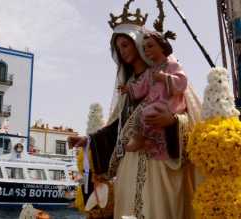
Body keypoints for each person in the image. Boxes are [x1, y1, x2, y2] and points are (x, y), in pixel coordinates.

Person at [69, 23, 201, 218]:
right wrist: (90, 140)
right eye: (118, 48)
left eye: (125, 45)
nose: (122, 52)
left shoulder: (166, 73)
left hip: (161, 160)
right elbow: (119, 125)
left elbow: (191, 116)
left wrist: (172, 121)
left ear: (138, 43)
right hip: (130, 162)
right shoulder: (130, 85)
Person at [118, 31, 187, 160]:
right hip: (153, 103)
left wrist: (163, 77)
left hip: (167, 104)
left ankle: (143, 139)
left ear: (162, 46)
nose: (146, 50)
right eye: (144, 48)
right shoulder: (150, 71)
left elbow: (181, 83)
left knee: (148, 113)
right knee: (140, 116)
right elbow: (141, 86)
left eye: (150, 46)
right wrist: (129, 88)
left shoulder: (172, 65)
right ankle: (146, 140)